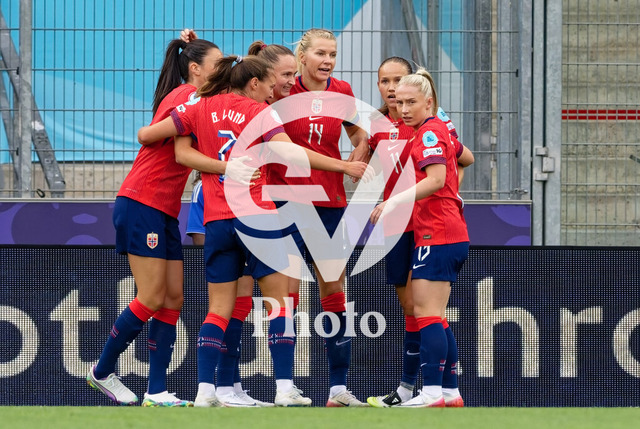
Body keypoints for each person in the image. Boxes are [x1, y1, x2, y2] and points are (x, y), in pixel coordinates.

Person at [137, 54, 370, 407]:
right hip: (257, 217)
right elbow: (290, 153)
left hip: (218, 220)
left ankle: (205, 391)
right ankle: (284, 388)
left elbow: (160, 141)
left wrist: (221, 166)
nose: (274, 91)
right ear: (254, 83)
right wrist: (343, 166)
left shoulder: (200, 107)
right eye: (271, 84)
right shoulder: (259, 112)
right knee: (280, 304)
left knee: (218, 309)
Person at [86, 38, 222, 407]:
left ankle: (156, 391)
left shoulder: (193, 98)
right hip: (141, 201)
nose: (222, 70)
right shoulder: (187, 97)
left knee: (173, 297)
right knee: (150, 296)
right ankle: (102, 370)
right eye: (216, 64)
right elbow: (158, 139)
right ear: (195, 69)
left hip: (164, 209)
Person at [267, 28, 370, 407]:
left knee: (334, 292)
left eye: (333, 54)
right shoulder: (283, 90)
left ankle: (338, 389)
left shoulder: (341, 92)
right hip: (287, 202)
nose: (328, 61)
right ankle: (284, 387)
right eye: (321, 54)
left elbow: (360, 135)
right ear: (302, 57)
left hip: (330, 204)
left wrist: (362, 147)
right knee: (286, 293)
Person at [366, 57, 470, 408]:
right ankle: (449, 392)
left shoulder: (429, 131)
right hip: (441, 231)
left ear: (429, 102)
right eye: (400, 101)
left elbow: (437, 179)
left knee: (425, 313)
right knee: (432, 314)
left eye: (411, 101)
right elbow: (447, 174)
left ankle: (431, 392)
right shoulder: (423, 130)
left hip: (435, 233)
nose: (404, 107)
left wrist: (394, 201)